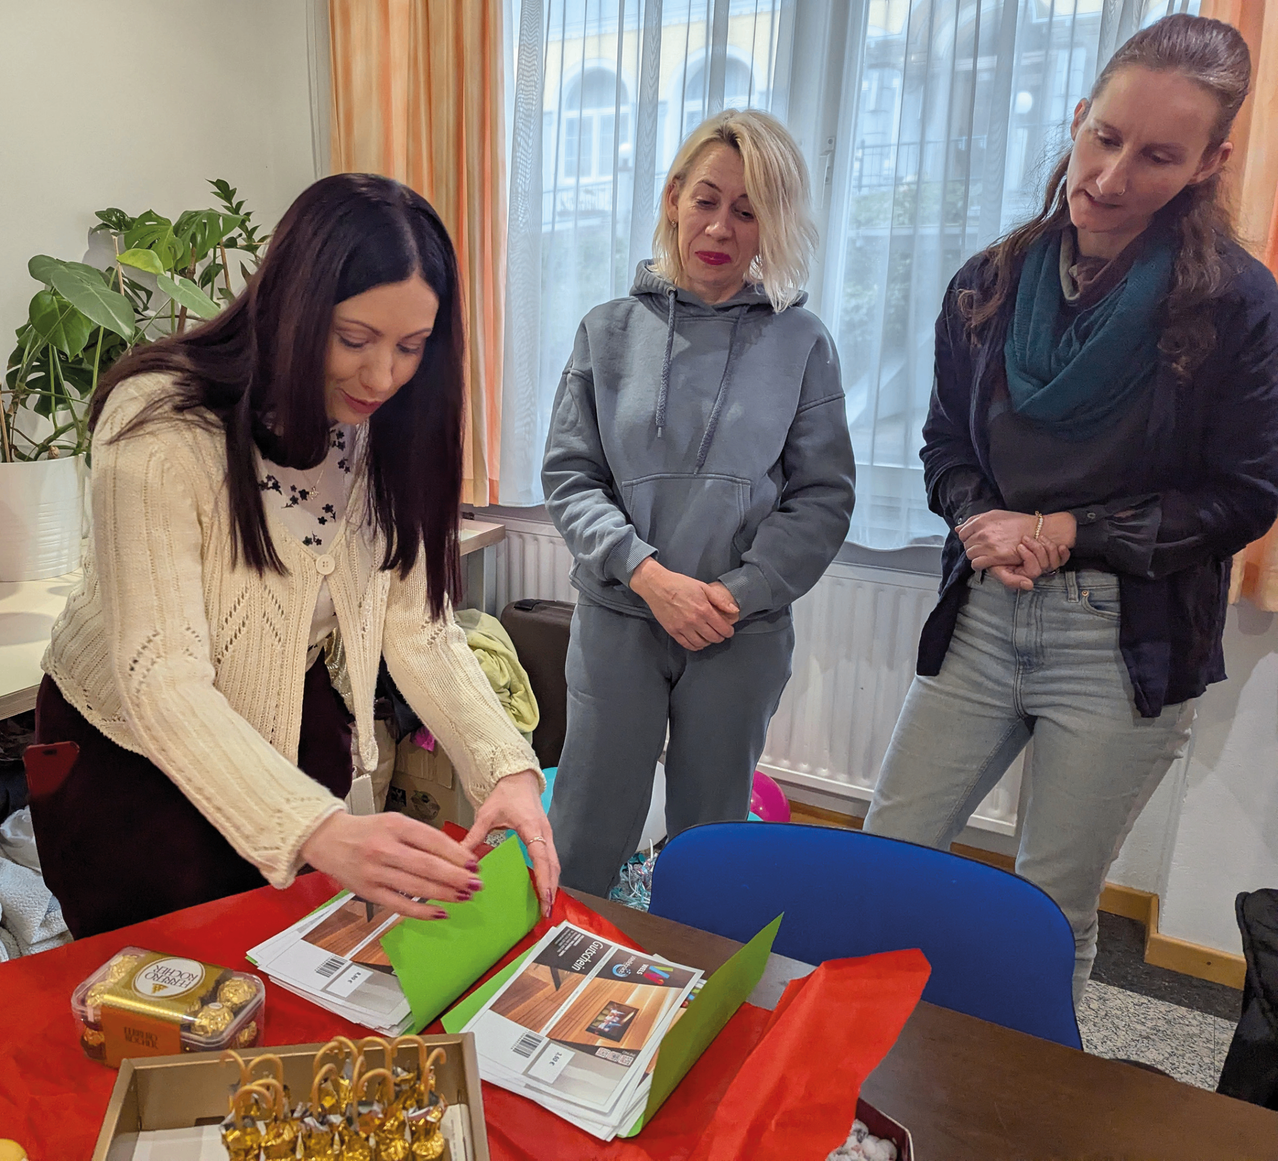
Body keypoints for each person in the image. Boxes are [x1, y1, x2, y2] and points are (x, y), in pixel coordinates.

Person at [863, 14, 1278, 1001]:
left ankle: (1031, 1097)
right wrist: (977, 519)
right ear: (1082, 113)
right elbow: (946, 449)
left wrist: (1066, 532)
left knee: (1048, 912)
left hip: (1124, 646)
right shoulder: (989, 284)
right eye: (1105, 135)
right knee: (883, 853)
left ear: (1211, 163)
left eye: (1158, 155)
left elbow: (1247, 494)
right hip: (983, 617)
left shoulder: (1238, 305)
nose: (1111, 173)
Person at [31, 174, 559, 938]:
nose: (383, 376)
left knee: (295, 970)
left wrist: (505, 767)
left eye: (411, 347)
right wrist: (320, 828)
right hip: (128, 757)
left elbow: (419, 628)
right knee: (167, 991)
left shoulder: (387, 425)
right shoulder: (159, 425)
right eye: (354, 340)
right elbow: (161, 678)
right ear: (293, 305)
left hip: (287, 716)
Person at [542, 109, 856, 896]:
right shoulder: (605, 331)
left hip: (737, 631)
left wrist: (733, 595)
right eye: (707, 199)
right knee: (585, 831)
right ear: (675, 197)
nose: (720, 226)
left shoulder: (803, 342)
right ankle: (552, 991)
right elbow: (571, 476)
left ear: (770, 225)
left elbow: (822, 499)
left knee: (710, 845)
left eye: (747, 210)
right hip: (619, 615)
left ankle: (693, 997)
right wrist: (647, 575)